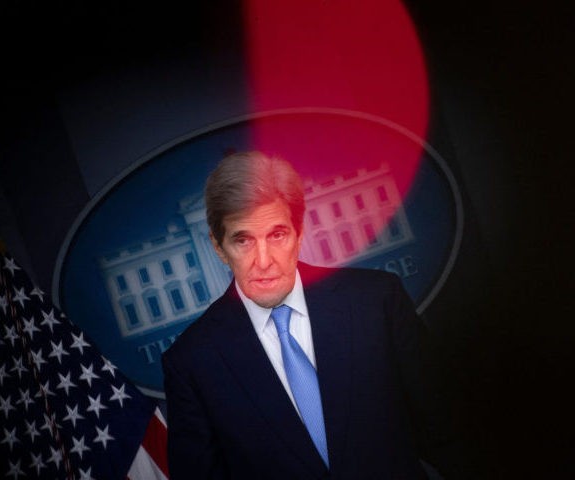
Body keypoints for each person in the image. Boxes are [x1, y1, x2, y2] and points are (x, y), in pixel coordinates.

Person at [162, 151, 468, 479]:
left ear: (299, 232)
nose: (263, 260)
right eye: (243, 240)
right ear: (219, 247)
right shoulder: (191, 361)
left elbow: (447, 436)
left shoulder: (377, 301)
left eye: (277, 235)